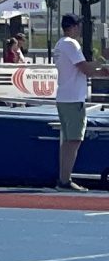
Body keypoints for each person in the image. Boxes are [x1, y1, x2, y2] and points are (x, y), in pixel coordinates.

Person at [53, 13, 91, 192]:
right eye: (78, 26)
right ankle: (65, 180)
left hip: (64, 97)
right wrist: (102, 69)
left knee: (68, 141)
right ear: (74, 26)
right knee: (74, 140)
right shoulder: (71, 44)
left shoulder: (60, 44)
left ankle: (63, 178)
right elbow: (84, 68)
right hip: (73, 98)